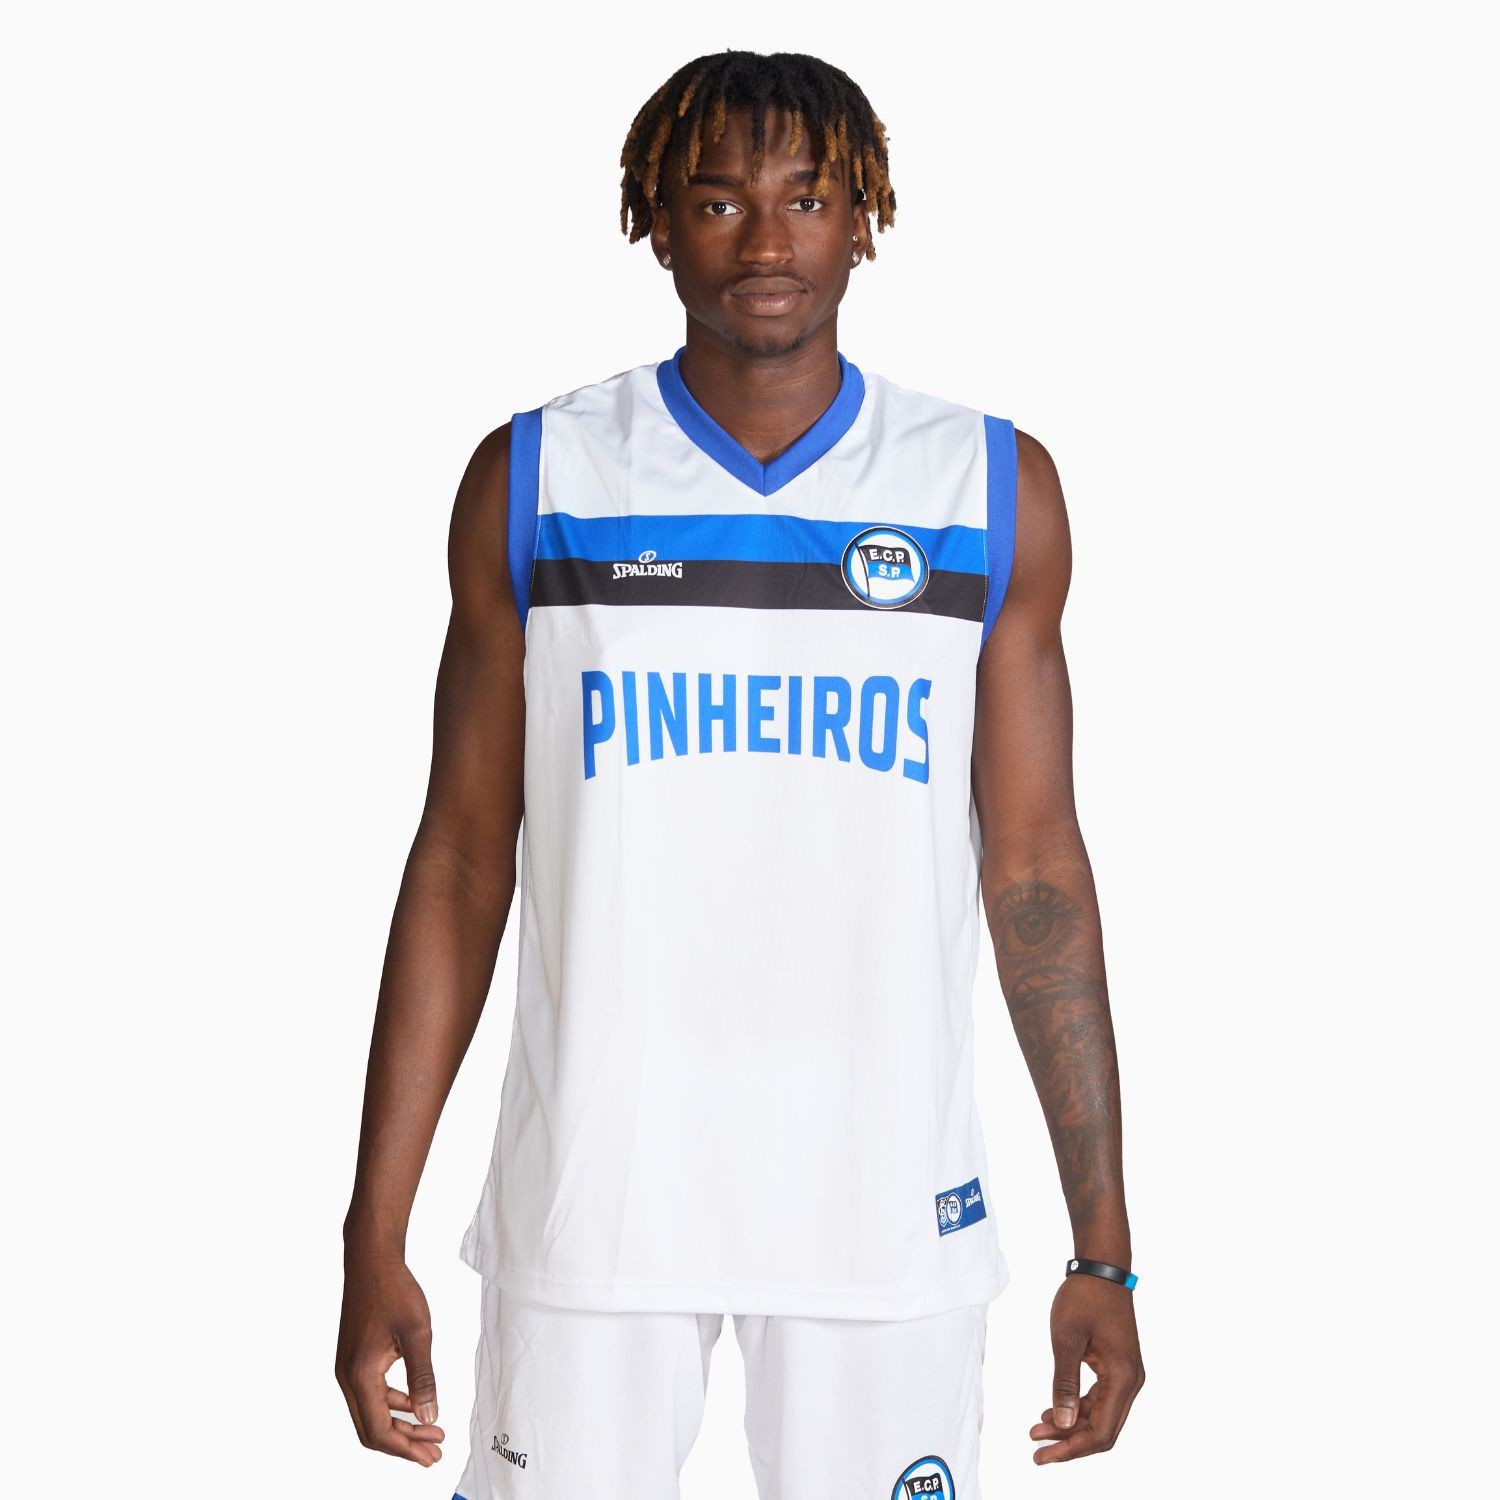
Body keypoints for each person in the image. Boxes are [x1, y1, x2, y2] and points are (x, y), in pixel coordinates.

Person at [336, 48, 1144, 1499]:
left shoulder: (984, 486)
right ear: (654, 219)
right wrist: (371, 1226)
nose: (767, 241)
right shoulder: (538, 481)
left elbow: (1035, 871)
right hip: (594, 1209)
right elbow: (458, 859)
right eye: (718, 200)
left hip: (886, 1214)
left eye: (808, 198)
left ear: (865, 218)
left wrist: (1105, 1248)